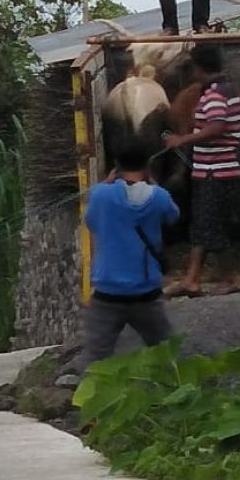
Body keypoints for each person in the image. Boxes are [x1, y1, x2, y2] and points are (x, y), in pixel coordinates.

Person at [81, 140, 179, 366]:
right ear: (147, 165)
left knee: (96, 358)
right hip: (145, 291)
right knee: (166, 353)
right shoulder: (158, 196)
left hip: (107, 291)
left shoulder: (100, 195)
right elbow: (173, 216)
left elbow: (92, 222)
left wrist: (105, 184)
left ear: (116, 165)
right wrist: (152, 182)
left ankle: (89, 398)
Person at [163, 43, 240, 296]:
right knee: (201, 225)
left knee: (211, 226)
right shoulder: (220, 90)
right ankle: (192, 279)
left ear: (199, 68)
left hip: (216, 171)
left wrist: (181, 140)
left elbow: (217, 127)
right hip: (207, 168)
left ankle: (230, 278)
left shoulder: (216, 94)